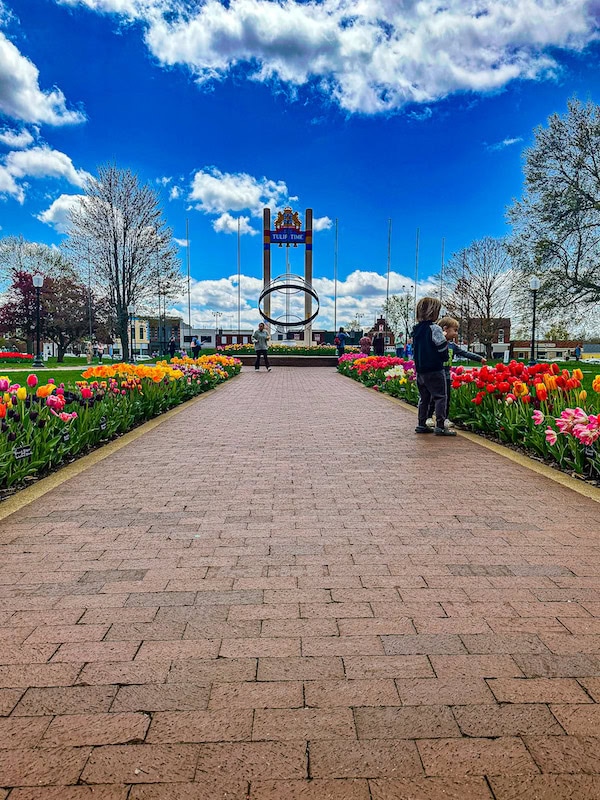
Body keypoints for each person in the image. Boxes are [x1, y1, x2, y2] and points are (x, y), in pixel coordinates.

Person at [426, 316, 487, 429]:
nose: (456, 333)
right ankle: (429, 416)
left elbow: (465, 353)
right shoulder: (435, 343)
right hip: (436, 374)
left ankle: (445, 418)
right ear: (445, 329)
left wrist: (479, 358)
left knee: (446, 397)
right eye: (454, 330)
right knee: (433, 397)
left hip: (447, 375)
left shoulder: (452, 346)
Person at [412, 297, 455, 437]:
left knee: (424, 398)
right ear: (433, 312)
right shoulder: (434, 328)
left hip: (421, 370)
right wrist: (444, 358)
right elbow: (442, 346)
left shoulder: (416, 330)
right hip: (435, 369)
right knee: (440, 396)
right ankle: (441, 426)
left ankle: (421, 423)